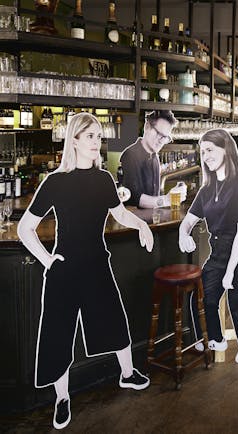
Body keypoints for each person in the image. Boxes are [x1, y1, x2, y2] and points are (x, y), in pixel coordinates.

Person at [17, 113, 154, 430]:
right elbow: (25, 229)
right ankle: (62, 398)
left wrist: (142, 225)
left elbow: (120, 214)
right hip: (63, 271)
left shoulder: (103, 179)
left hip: (96, 265)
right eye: (90, 136)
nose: (97, 142)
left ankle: (127, 374)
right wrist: (47, 260)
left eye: (98, 137)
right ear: (75, 140)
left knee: (115, 319)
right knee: (58, 335)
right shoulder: (55, 182)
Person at [181, 129, 238, 364]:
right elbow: (188, 221)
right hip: (218, 250)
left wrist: (230, 271)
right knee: (202, 296)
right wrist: (183, 234)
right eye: (203, 152)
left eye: (210, 150)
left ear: (226, 149)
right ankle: (215, 338)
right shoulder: (207, 189)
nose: (205, 156)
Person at [120, 110, 185, 209]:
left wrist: (172, 194)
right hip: (133, 218)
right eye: (158, 133)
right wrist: (166, 200)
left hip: (151, 217)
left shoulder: (155, 157)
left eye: (165, 137)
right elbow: (134, 197)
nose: (161, 141)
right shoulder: (131, 155)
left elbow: (154, 195)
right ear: (147, 127)